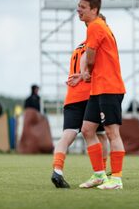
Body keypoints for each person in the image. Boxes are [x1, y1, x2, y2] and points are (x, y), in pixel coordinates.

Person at [50, 15, 109, 189]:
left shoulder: (78, 47)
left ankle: (57, 169)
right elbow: (89, 70)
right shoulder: (96, 45)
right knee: (101, 136)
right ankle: (102, 172)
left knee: (67, 136)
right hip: (90, 96)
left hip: (71, 97)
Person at [77, 0, 126, 190]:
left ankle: (116, 179)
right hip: (98, 89)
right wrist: (85, 74)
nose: (78, 10)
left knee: (112, 133)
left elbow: (89, 57)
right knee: (87, 130)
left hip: (109, 87)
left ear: (94, 10)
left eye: (82, 7)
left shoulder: (95, 26)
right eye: (78, 5)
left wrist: (86, 71)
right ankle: (99, 175)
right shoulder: (97, 26)